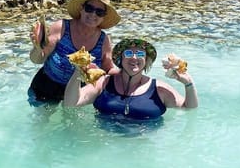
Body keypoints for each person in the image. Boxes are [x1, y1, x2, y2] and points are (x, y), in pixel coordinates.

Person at [63, 38, 198, 119]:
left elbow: (189, 108)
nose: (134, 57)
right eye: (128, 53)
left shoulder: (158, 88)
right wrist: (78, 72)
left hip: (142, 148)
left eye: (140, 53)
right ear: (120, 59)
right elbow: (70, 103)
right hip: (105, 145)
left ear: (146, 60)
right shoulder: (103, 82)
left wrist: (188, 83)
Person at [28, 0, 121, 103]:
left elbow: (108, 68)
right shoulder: (61, 27)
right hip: (47, 86)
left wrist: (127, 74)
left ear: (103, 17)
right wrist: (37, 48)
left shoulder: (103, 40)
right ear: (81, 8)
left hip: (78, 93)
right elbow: (39, 59)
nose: (93, 14)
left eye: (99, 12)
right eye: (89, 8)